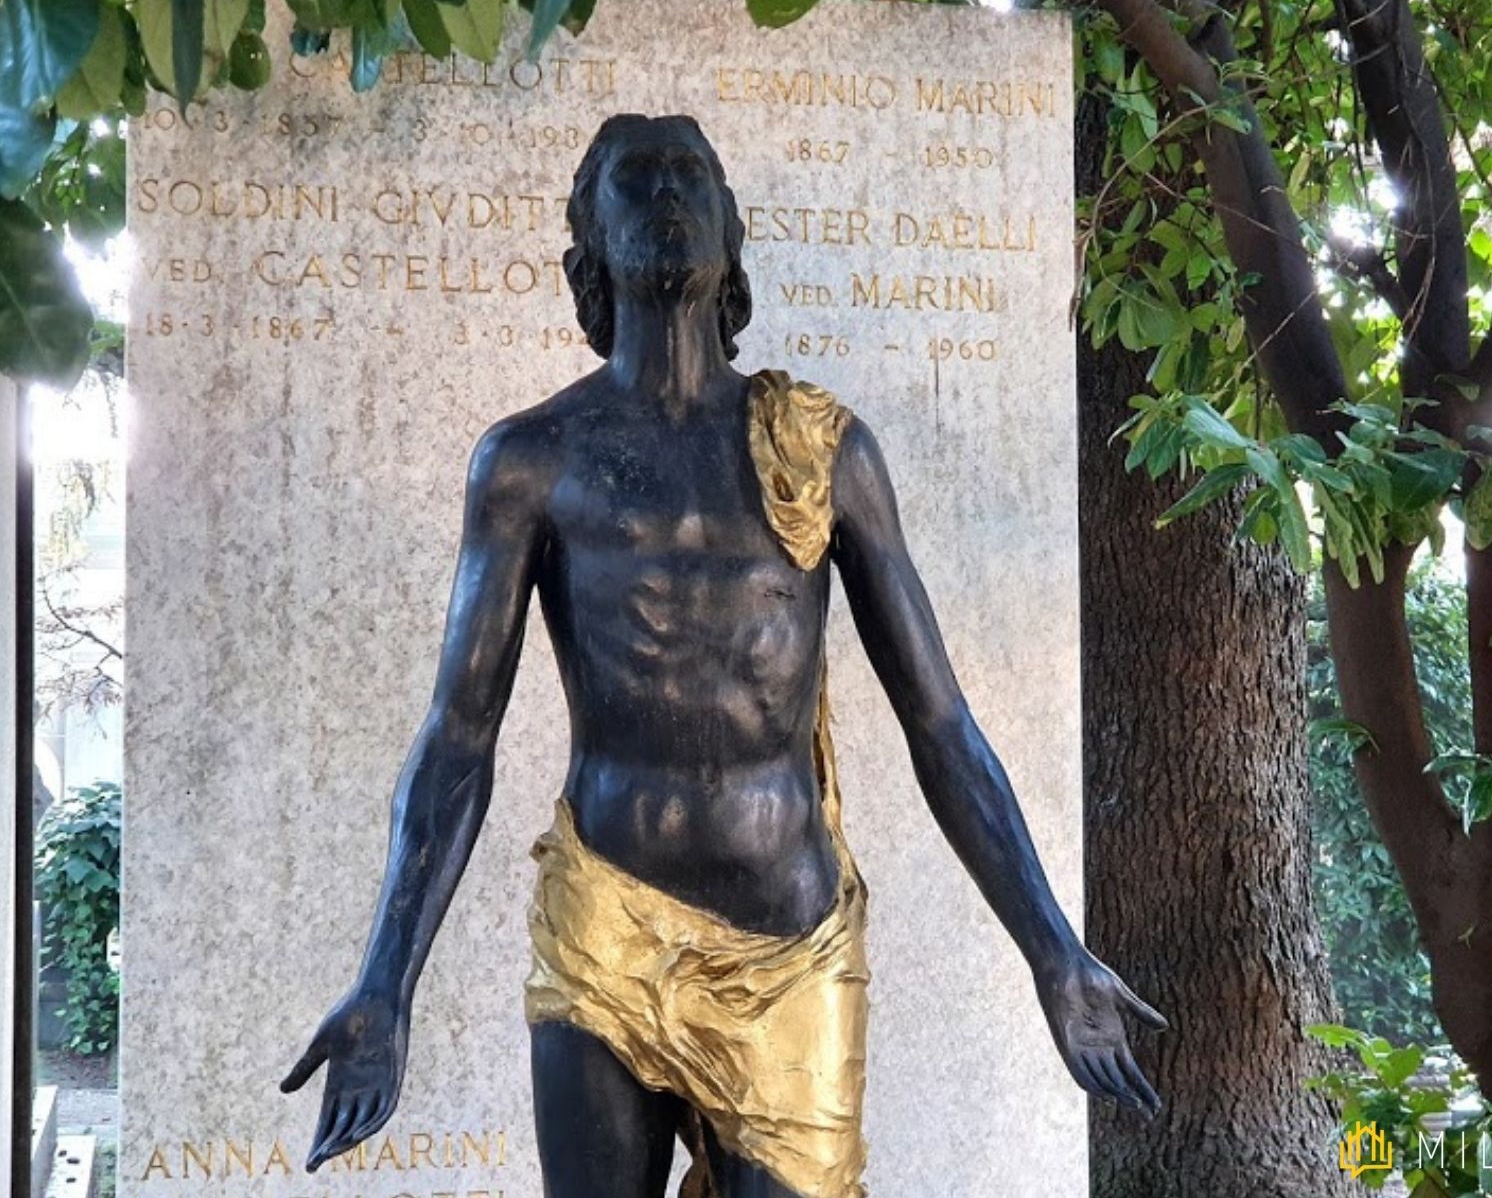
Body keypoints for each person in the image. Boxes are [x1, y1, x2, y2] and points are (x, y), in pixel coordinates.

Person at [281, 113, 1165, 1198]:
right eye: (635, 179)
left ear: (733, 228)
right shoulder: (529, 463)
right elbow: (458, 738)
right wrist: (386, 980)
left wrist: (1053, 949)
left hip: (789, 938)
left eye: (690, 174)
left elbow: (940, 724)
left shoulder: (825, 451)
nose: (665, 193)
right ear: (588, 245)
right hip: (605, 922)